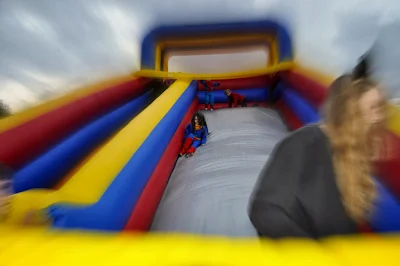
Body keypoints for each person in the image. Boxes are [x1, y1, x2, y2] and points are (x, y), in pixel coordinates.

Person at [248, 55, 387, 239]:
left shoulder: (351, 154)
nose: (379, 118)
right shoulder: (303, 143)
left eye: (380, 108)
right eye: (373, 109)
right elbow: (265, 210)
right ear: (350, 113)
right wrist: (316, 256)